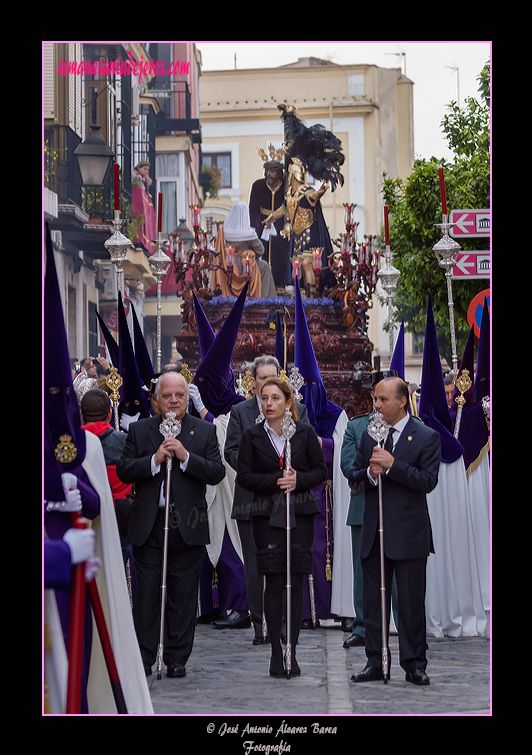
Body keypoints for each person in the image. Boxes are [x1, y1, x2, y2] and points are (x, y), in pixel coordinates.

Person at [116, 371, 226, 678]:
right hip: (149, 525)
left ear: (188, 400)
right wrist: (154, 460)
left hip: (187, 525)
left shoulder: (203, 432)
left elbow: (216, 472)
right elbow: (125, 469)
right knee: (147, 594)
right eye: (167, 396)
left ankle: (177, 657)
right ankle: (145, 656)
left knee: (183, 595)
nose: (174, 401)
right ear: (155, 400)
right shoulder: (140, 431)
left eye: (180, 395)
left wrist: (185, 455)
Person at [348, 376, 440, 685]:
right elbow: (355, 477)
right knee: (374, 602)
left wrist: (392, 465)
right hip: (375, 531)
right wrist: (371, 474)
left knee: (411, 603)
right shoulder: (369, 435)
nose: (376, 405)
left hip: (409, 534)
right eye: (375, 399)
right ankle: (376, 661)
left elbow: (427, 481)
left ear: (402, 402)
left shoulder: (426, 437)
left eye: (382, 400)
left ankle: (414, 663)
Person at [236, 377, 327, 677]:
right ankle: (276, 648)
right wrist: (276, 479)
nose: (269, 404)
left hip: (299, 514)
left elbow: (320, 471)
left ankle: (293, 649)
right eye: (264, 398)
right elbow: (244, 476)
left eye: (275, 398)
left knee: (295, 581)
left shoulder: (303, 432)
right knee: (274, 582)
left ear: (288, 402)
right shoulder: (252, 435)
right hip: (267, 516)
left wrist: (297, 479)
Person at [223, 355, 308, 641]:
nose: (269, 383)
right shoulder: (240, 411)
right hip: (252, 500)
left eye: (274, 377)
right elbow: (231, 451)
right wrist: (259, 469)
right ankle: (260, 626)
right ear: (253, 382)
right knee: (256, 564)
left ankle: (284, 622)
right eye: (262, 378)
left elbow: (306, 450)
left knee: (285, 563)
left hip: (288, 499)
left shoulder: (299, 410)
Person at [80, 388, 133, 563]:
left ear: (81, 414)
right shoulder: (125, 441)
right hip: (119, 521)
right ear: (110, 414)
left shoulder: (71, 445)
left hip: (83, 519)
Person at [249, 145, 290, 289]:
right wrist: (254, 228)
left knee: (281, 254)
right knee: (263, 253)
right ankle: (263, 285)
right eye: (267, 171)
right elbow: (253, 209)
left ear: (279, 173)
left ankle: (280, 284)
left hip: (280, 224)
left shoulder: (286, 186)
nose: (269, 174)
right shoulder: (258, 186)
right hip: (262, 224)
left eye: (272, 171)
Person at [223, 201, 276, 298]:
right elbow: (261, 250)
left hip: (229, 263)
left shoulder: (225, 231)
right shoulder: (248, 233)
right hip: (245, 265)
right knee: (264, 267)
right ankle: (266, 299)